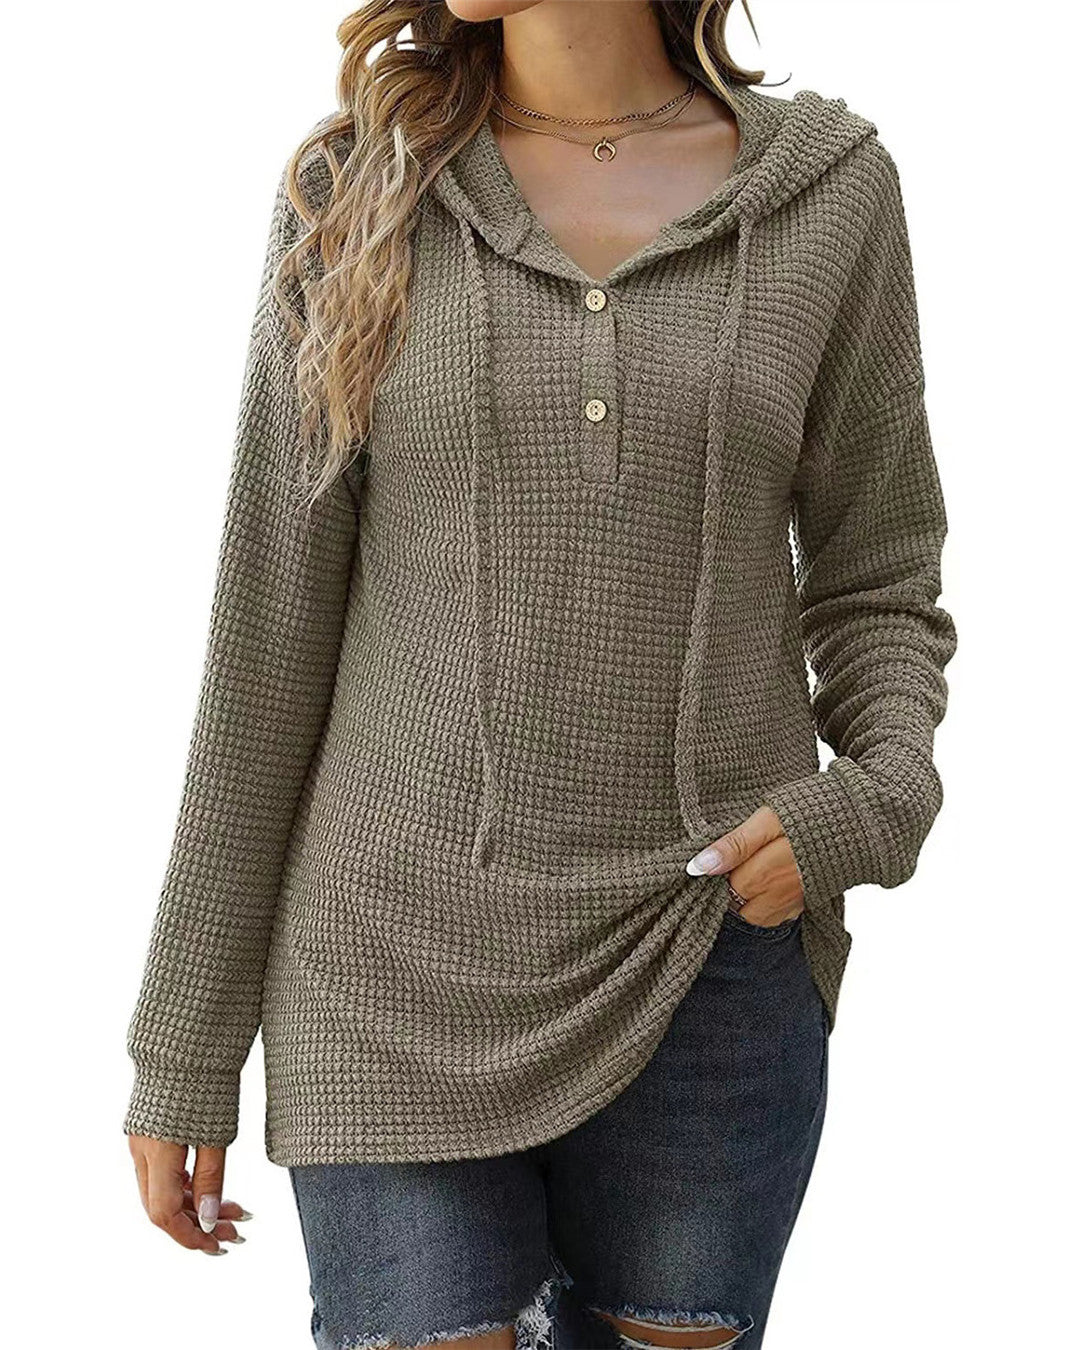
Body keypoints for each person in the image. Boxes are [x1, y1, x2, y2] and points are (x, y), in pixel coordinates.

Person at [124, 2, 957, 1347]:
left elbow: (879, 573)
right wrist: (183, 1041)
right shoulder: (355, 191)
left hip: (706, 961)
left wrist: (882, 797)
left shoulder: (828, 194)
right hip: (388, 973)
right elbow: (266, 644)